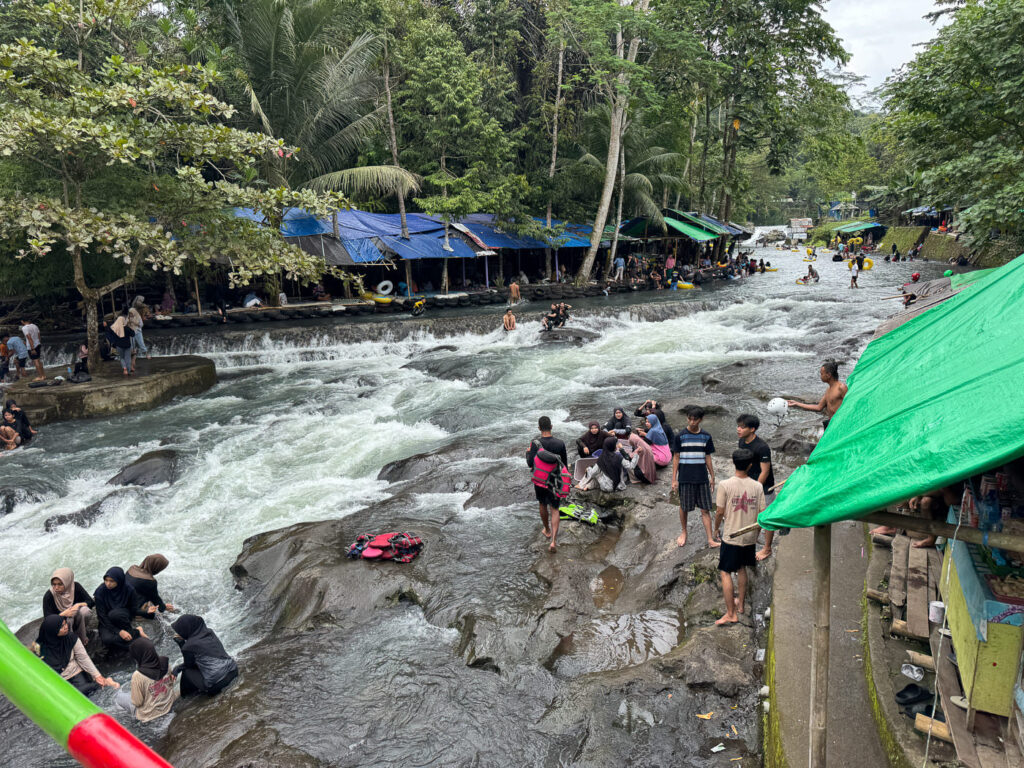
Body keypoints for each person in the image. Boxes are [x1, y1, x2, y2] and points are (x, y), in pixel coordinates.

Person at [713, 449, 766, 625]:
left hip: (732, 536)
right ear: (751, 465)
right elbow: (762, 513)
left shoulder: (725, 485)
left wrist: (715, 529)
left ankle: (731, 613)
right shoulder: (757, 486)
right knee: (742, 568)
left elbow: (719, 511)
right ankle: (741, 605)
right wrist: (756, 534)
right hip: (749, 537)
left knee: (726, 571)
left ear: (733, 462)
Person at [34, 615, 118, 696]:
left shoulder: (71, 638)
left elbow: (83, 658)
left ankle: (102, 683)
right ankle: (102, 684)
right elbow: (39, 667)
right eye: (62, 626)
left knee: (87, 695)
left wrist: (97, 676)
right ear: (53, 630)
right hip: (59, 679)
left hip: (75, 673)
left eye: (65, 623)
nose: (66, 627)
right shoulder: (39, 647)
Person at [735, 414, 781, 562]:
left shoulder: (762, 448)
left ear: (752, 429)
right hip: (749, 484)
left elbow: (765, 471)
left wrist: (754, 488)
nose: (738, 429)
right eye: (738, 426)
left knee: (767, 518)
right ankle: (751, 541)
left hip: (765, 488)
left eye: (742, 427)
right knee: (751, 517)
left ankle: (767, 548)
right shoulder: (742, 442)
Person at [671, 405, 717, 549]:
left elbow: (707, 457)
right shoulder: (680, 436)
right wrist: (674, 479)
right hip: (685, 477)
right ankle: (684, 532)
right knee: (684, 507)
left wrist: (712, 476)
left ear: (701, 420)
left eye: (695, 419)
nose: (691, 422)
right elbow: (676, 457)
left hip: (702, 477)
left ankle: (710, 539)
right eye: (689, 419)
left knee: (705, 509)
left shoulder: (706, 436)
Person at [115, 631, 180, 722]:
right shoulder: (165, 663)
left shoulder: (138, 675)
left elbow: (137, 702)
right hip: (168, 705)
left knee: (118, 697)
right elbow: (171, 684)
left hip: (149, 715)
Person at [526, 416, 568, 552]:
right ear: (551, 427)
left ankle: (547, 530)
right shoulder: (560, 443)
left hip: (540, 480)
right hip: (555, 480)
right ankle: (554, 541)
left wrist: (527, 453)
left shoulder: (535, 443)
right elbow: (565, 465)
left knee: (542, 504)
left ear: (539, 428)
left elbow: (530, 463)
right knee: (555, 508)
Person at [170, 615, 238, 696]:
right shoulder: (210, 632)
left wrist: (181, 644)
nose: (179, 633)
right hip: (234, 671)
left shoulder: (188, 646)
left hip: (217, 685)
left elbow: (189, 665)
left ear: (186, 630)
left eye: (180, 630)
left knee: (187, 671)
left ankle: (187, 696)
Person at [93, 567, 156, 652]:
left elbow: (133, 610)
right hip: (106, 621)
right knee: (107, 640)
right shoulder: (100, 592)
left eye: (111, 581)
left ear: (119, 580)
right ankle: (137, 632)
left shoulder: (129, 589)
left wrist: (146, 612)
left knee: (115, 614)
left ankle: (133, 638)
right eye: (106, 580)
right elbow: (102, 616)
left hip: (121, 617)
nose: (108, 584)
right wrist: (119, 632)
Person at [787, 361, 848, 430]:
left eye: (821, 374)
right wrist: (796, 403)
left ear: (828, 375)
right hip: (831, 424)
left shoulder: (842, 387)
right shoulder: (828, 390)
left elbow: (850, 407)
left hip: (840, 424)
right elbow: (818, 407)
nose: (820, 376)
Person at [43, 567, 95, 645]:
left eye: (60, 584)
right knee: (69, 619)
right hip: (61, 624)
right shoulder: (49, 595)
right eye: (54, 584)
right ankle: (70, 642)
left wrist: (78, 605)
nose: (56, 588)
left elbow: (90, 602)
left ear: (67, 582)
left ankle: (81, 635)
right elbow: (47, 619)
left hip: (77, 619)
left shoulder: (75, 586)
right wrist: (64, 614)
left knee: (85, 611)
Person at [107, 310, 134, 376]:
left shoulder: (114, 328)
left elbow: (109, 334)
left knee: (122, 358)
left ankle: (124, 368)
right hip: (127, 345)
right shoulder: (127, 328)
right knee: (128, 358)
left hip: (119, 345)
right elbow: (133, 334)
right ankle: (128, 370)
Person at [127, 303, 149, 370]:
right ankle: (132, 365)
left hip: (136, 331)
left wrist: (134, 322)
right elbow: (129, 322)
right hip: (132, 331)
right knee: (133, 347)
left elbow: (140, 324)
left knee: (139, 344)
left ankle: (145, 353)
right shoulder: (132, 313)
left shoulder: (136, 315)